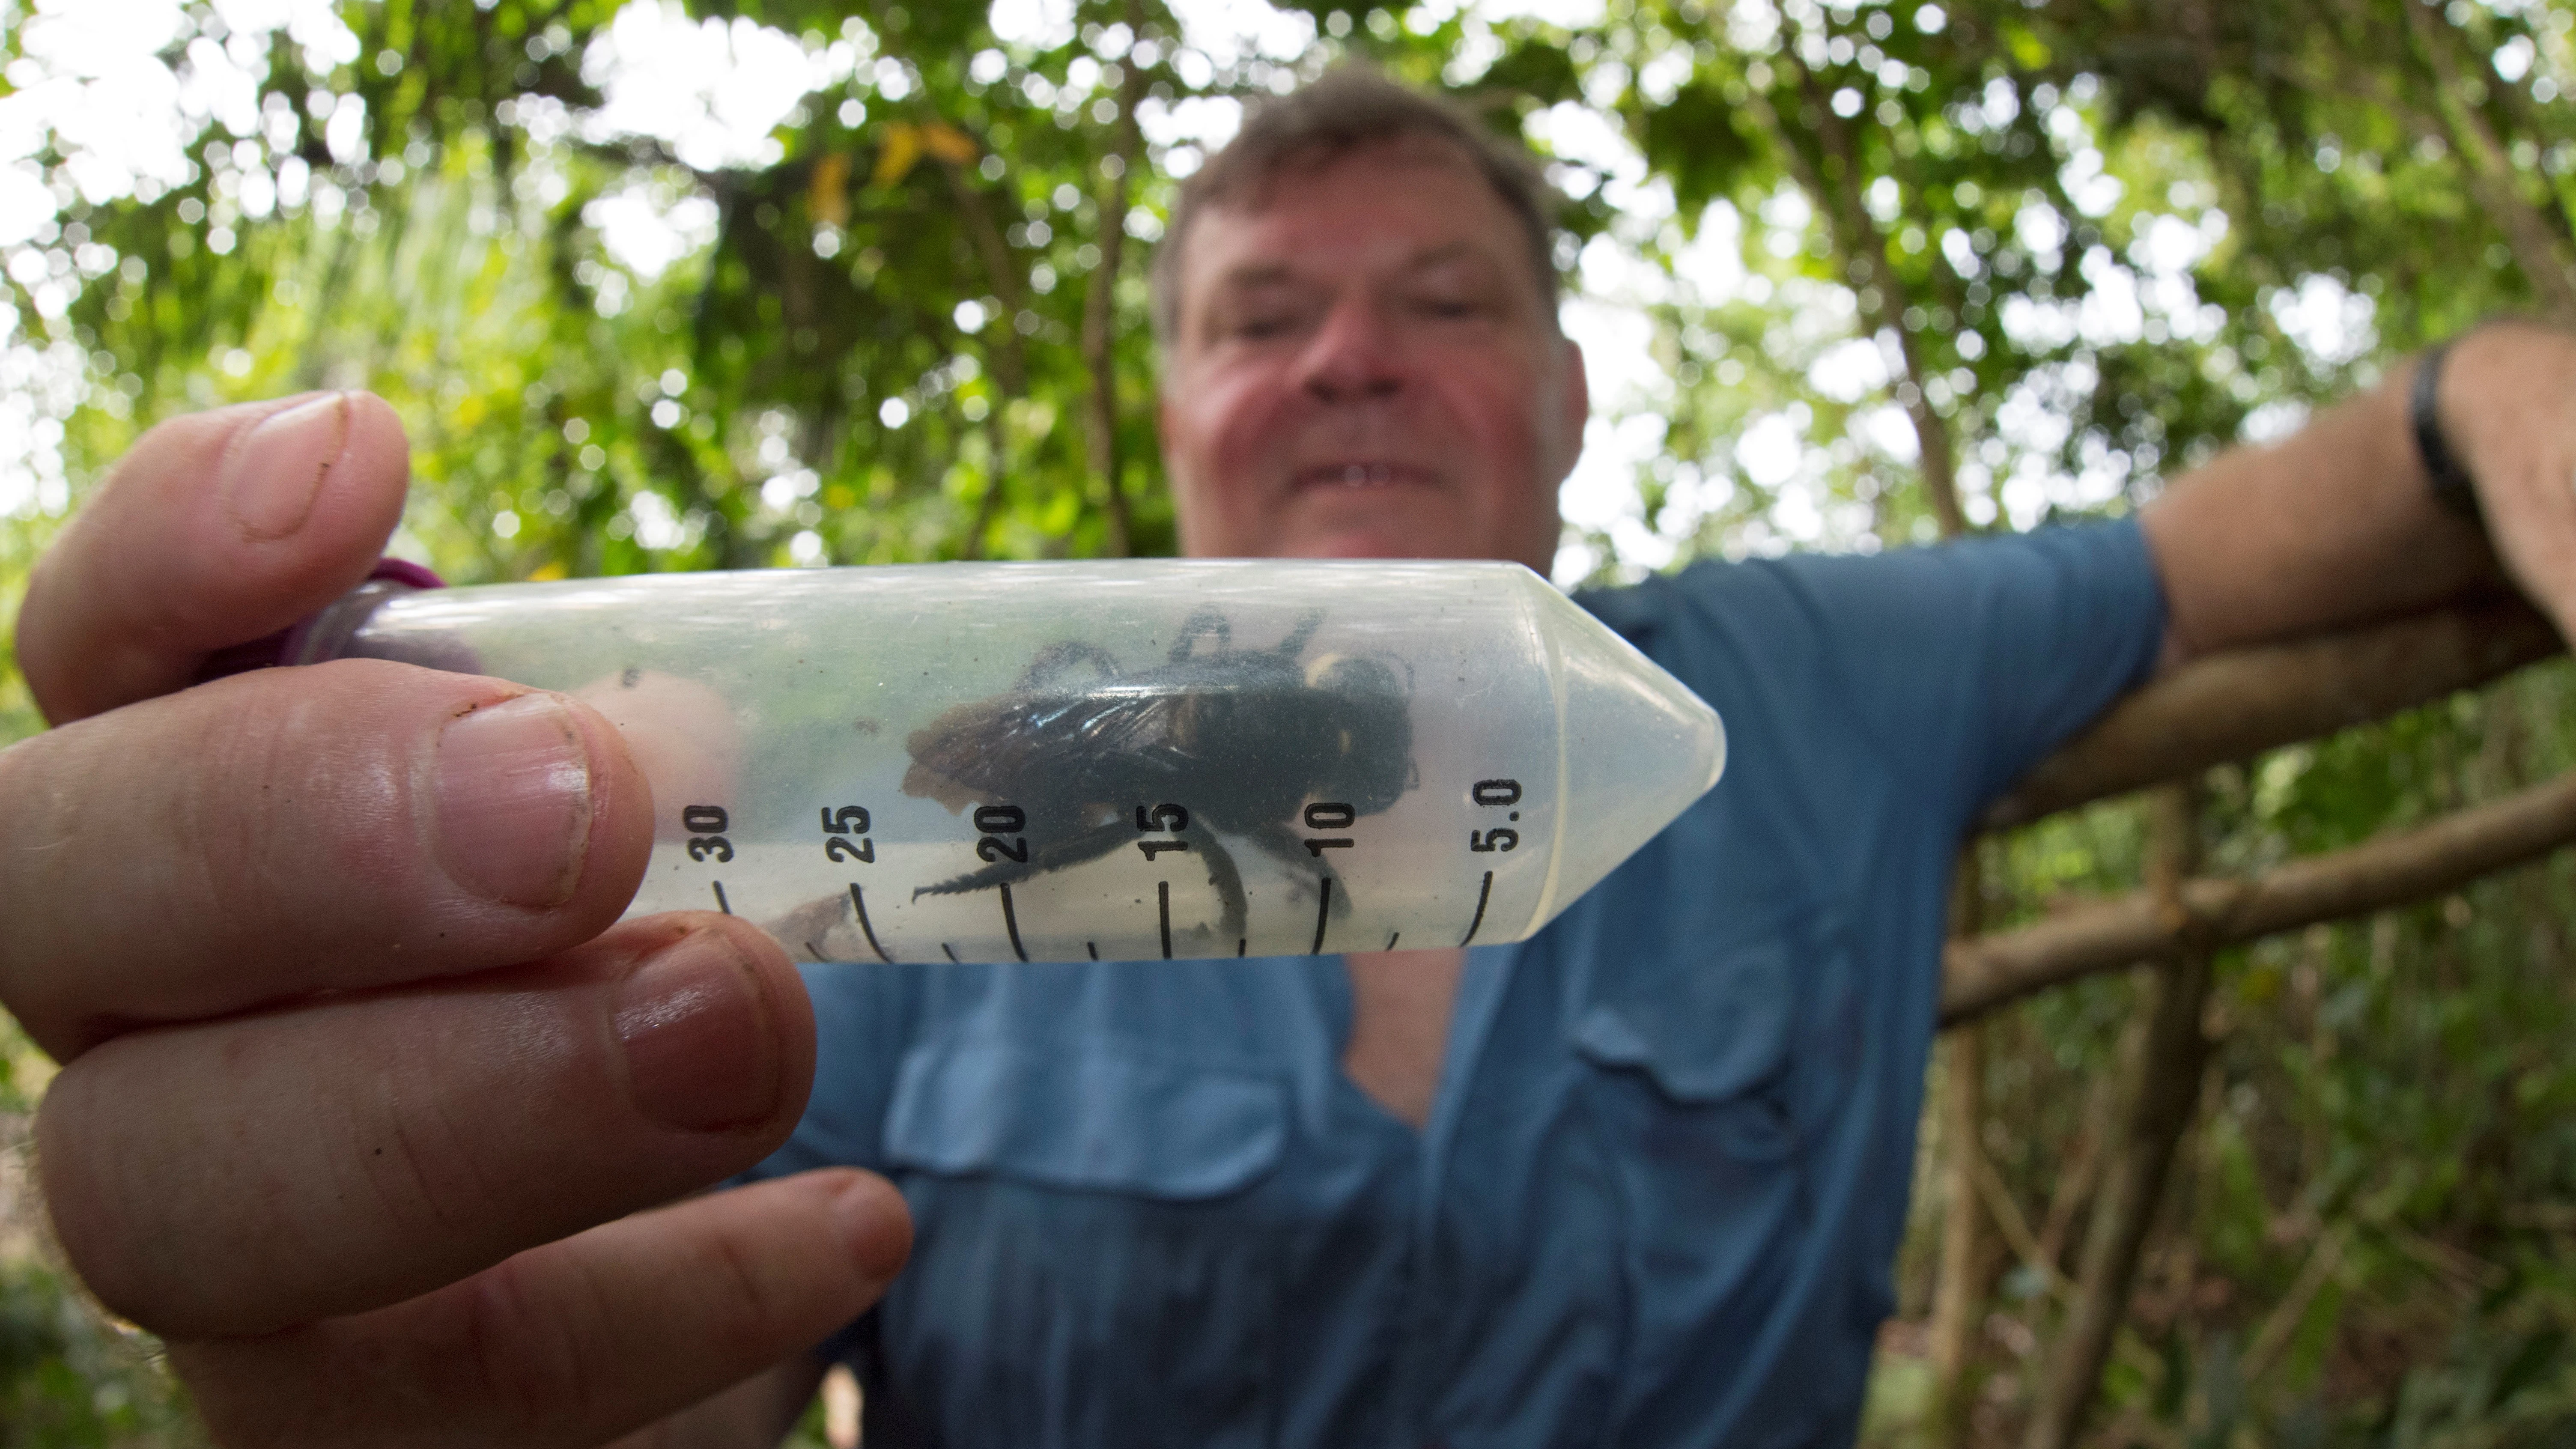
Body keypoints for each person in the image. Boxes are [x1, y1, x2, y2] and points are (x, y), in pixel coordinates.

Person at [5, 66, 2572, 1449]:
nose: (1349, 357)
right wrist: (389, 1370)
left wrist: (2502, 381)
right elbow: (679, 1369)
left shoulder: (1798, 681)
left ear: (1569, 400)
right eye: (1264, 317)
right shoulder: (916, 776)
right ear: (1174, 423)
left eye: (1440, 300)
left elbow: (2239, 540)